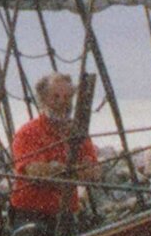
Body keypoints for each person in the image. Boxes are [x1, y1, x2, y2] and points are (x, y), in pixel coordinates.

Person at [8, 73, 97, 227]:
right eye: (55, 97)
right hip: (31, 215)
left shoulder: (77, 133)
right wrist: (75, 171)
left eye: (67, 97)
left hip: (66, 213)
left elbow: (94, 172)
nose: (62, 102)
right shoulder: (28, 132)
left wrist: (57, 169)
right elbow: (36, 172)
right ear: (43, 100)